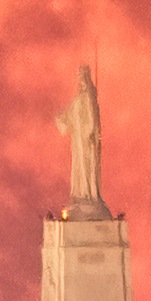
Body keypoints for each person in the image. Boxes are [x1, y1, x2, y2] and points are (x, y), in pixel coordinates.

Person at [55, 64, 103, 204]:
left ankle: (87, 193)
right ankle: (81, 193)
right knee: (79, 167)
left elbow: (92, 119)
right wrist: (62, 119)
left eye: (82, 76)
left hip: (85, 141)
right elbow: (70, 114)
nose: (80, 79)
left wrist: (89, 132)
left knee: (86, 166)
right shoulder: (79, 97)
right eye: (79, 76)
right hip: (78, 140)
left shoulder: (88, 96)